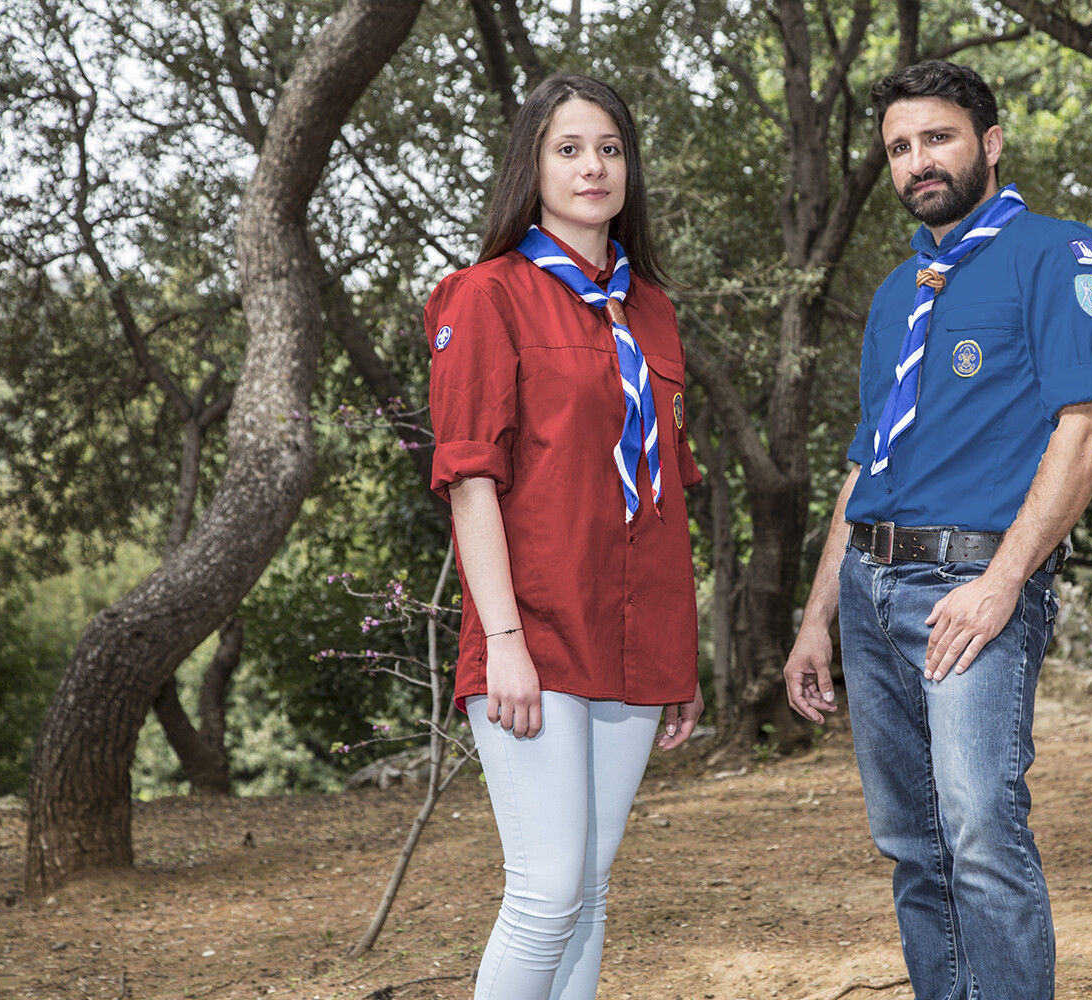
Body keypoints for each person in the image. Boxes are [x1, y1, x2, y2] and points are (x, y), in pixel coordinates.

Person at [783, 60, 1092, 1000]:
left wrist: (1002, 582)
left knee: (980, 833)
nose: (918, 161)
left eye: (937, 137)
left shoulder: (1059, 255)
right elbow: (865, 464)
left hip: (972, 588)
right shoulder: (899, 292)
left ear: (991, 142)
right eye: (900, 147)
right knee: (912, 845)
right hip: (870, 589)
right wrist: (818, 619)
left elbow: (1089, 431)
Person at [423, 74, 704, 1000]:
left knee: (587, 888)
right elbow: (471, 481)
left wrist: (676, 654)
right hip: (533, 633)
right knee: (545, 891)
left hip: (634, 636)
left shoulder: (650, 309)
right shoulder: (486, 295)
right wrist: (503, 642)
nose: (594, 167)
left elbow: (667, 494)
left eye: (610, 149)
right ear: (532, 168)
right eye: (569, 148)